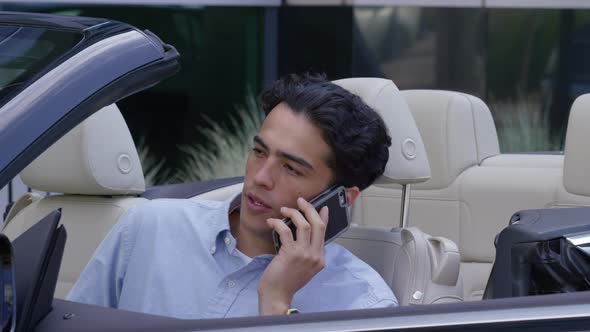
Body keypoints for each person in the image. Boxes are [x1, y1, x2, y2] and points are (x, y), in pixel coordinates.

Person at [67, 73, 397, 318]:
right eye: (258, 151)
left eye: (291, 168)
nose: (261, 176)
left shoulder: (362, 305)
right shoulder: (147, 228)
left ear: (344, 198)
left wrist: (276, 302)